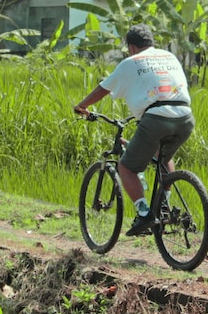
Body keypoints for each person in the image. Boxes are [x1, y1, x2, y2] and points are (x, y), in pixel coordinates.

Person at [73, 24, 194, 237]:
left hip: (156, 118)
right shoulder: (169, 56)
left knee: (126, 167)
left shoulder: (131, 62)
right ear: (151, 43)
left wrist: (82, 106)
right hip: (185, 117)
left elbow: (104, 88)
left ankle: (144, 213)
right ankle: (164, 204)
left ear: (131, 47)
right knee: (163, 158)